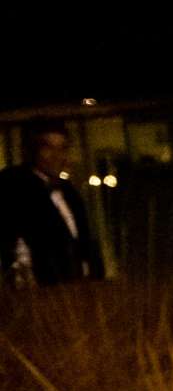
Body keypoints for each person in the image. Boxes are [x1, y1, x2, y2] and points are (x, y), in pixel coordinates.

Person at [1, 119, 103, 285]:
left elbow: (84, 242)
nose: (57, 156)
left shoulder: (69, 192)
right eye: (47, 147)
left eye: (62, 148)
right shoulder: (13, 185)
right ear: (30, 151)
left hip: (79, 290)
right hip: (37, 293)